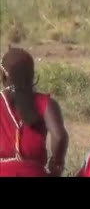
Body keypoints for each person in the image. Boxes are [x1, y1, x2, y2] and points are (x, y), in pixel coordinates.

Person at [0, 47, 69, 177]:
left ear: (4, 76)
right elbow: (59, 136)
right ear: (31, 75)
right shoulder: (46, 103)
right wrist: (56, 164)